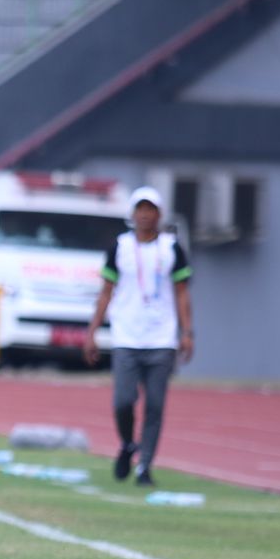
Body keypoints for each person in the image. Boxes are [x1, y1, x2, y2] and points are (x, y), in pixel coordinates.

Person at [84, 186, 194, 487]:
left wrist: (187, 332)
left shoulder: (172, 248)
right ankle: (127, 444)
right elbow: (106, 292)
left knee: (155, 405)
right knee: (123, 401)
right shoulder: (119, 248)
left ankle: (145, 465)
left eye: (151, 209)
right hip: (126, 335)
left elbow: (182, 293)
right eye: (140, 209)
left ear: (159, 214)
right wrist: (93, 330)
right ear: (132, 214)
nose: (145, 215)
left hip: (162, 337)